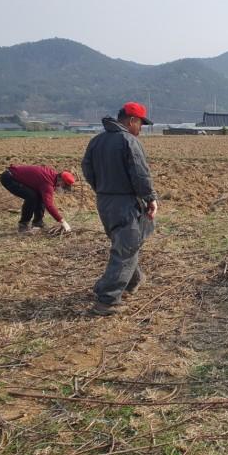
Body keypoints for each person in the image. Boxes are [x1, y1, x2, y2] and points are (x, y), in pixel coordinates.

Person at [81, 102, 158, 316]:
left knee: (124, 243)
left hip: (104, 201)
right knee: (125, 249)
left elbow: (87, 168)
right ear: (131, 120)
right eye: (141, 124)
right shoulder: (129, 141)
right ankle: (106, 300)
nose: (140, 129)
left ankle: (134, 281)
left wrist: (102, 188)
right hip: (125, 203)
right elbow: (140, 174)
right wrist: (150, 198)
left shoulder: (96, 141)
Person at [0, 164, 74, 234]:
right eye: (64, 186)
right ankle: (23, 225)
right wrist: (62, 221)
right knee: (31, 197)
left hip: (12, 175)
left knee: (40, 196)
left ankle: (38, 223)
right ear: (60, 180)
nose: (62, 188)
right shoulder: (47, 184)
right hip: (9, 178)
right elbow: (49, 205)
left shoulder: (52, 176)